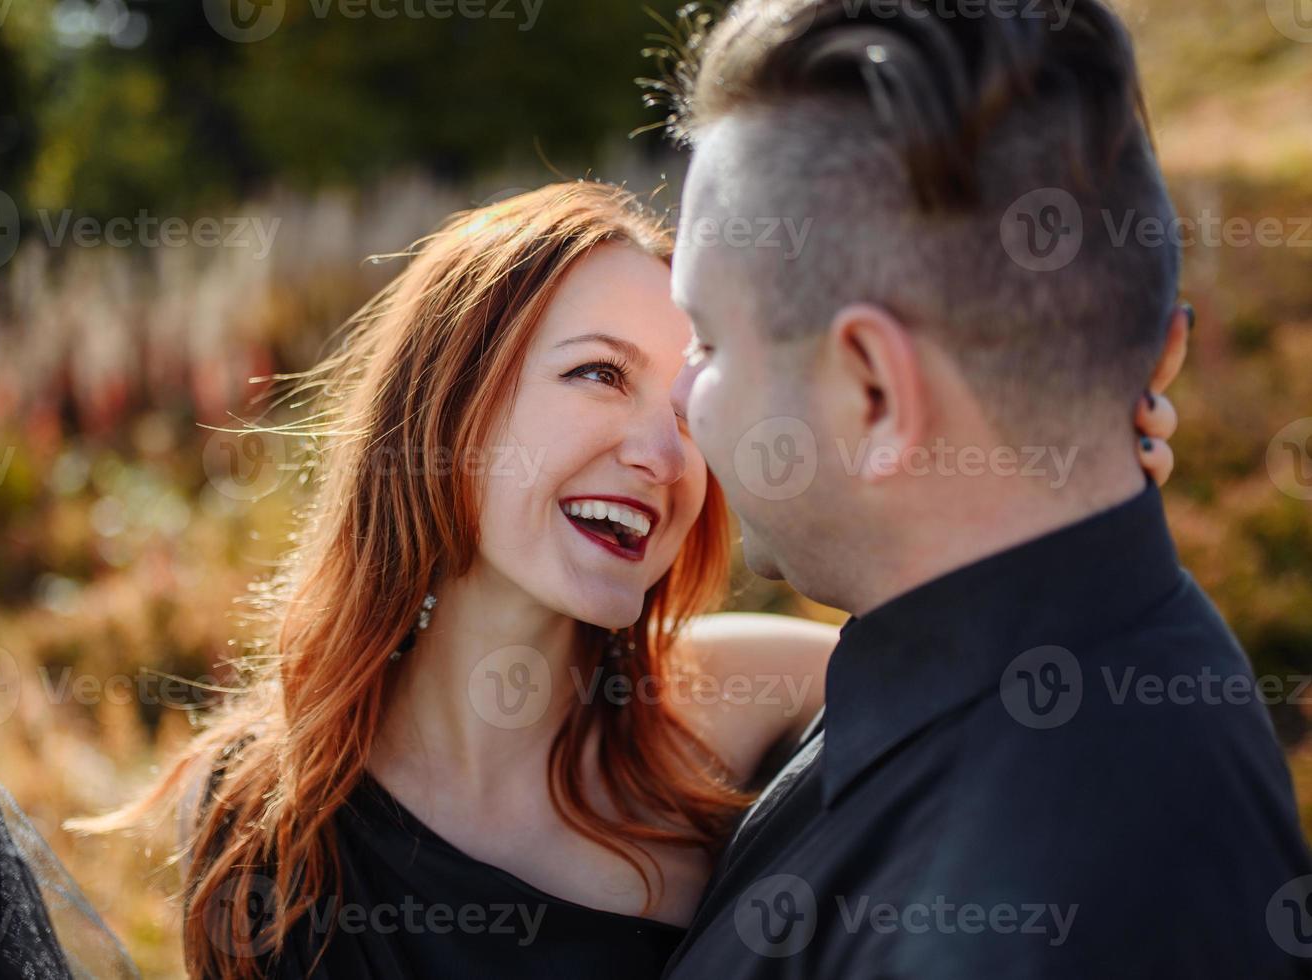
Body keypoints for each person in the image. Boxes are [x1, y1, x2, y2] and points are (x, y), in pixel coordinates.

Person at [69, 181, 1177, 978]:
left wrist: (1068, 477)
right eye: (599, 373)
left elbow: (1002, 662)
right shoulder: (267, 816)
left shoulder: (731, 704)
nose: (663, 455)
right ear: (449, 400)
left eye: (690, 410)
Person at [658, 1, 1312, 978]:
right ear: (1157, 353)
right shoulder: (1046, 662)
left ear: (874, 391)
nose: (678, 399)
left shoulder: (1004, 925)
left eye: (707, 342)